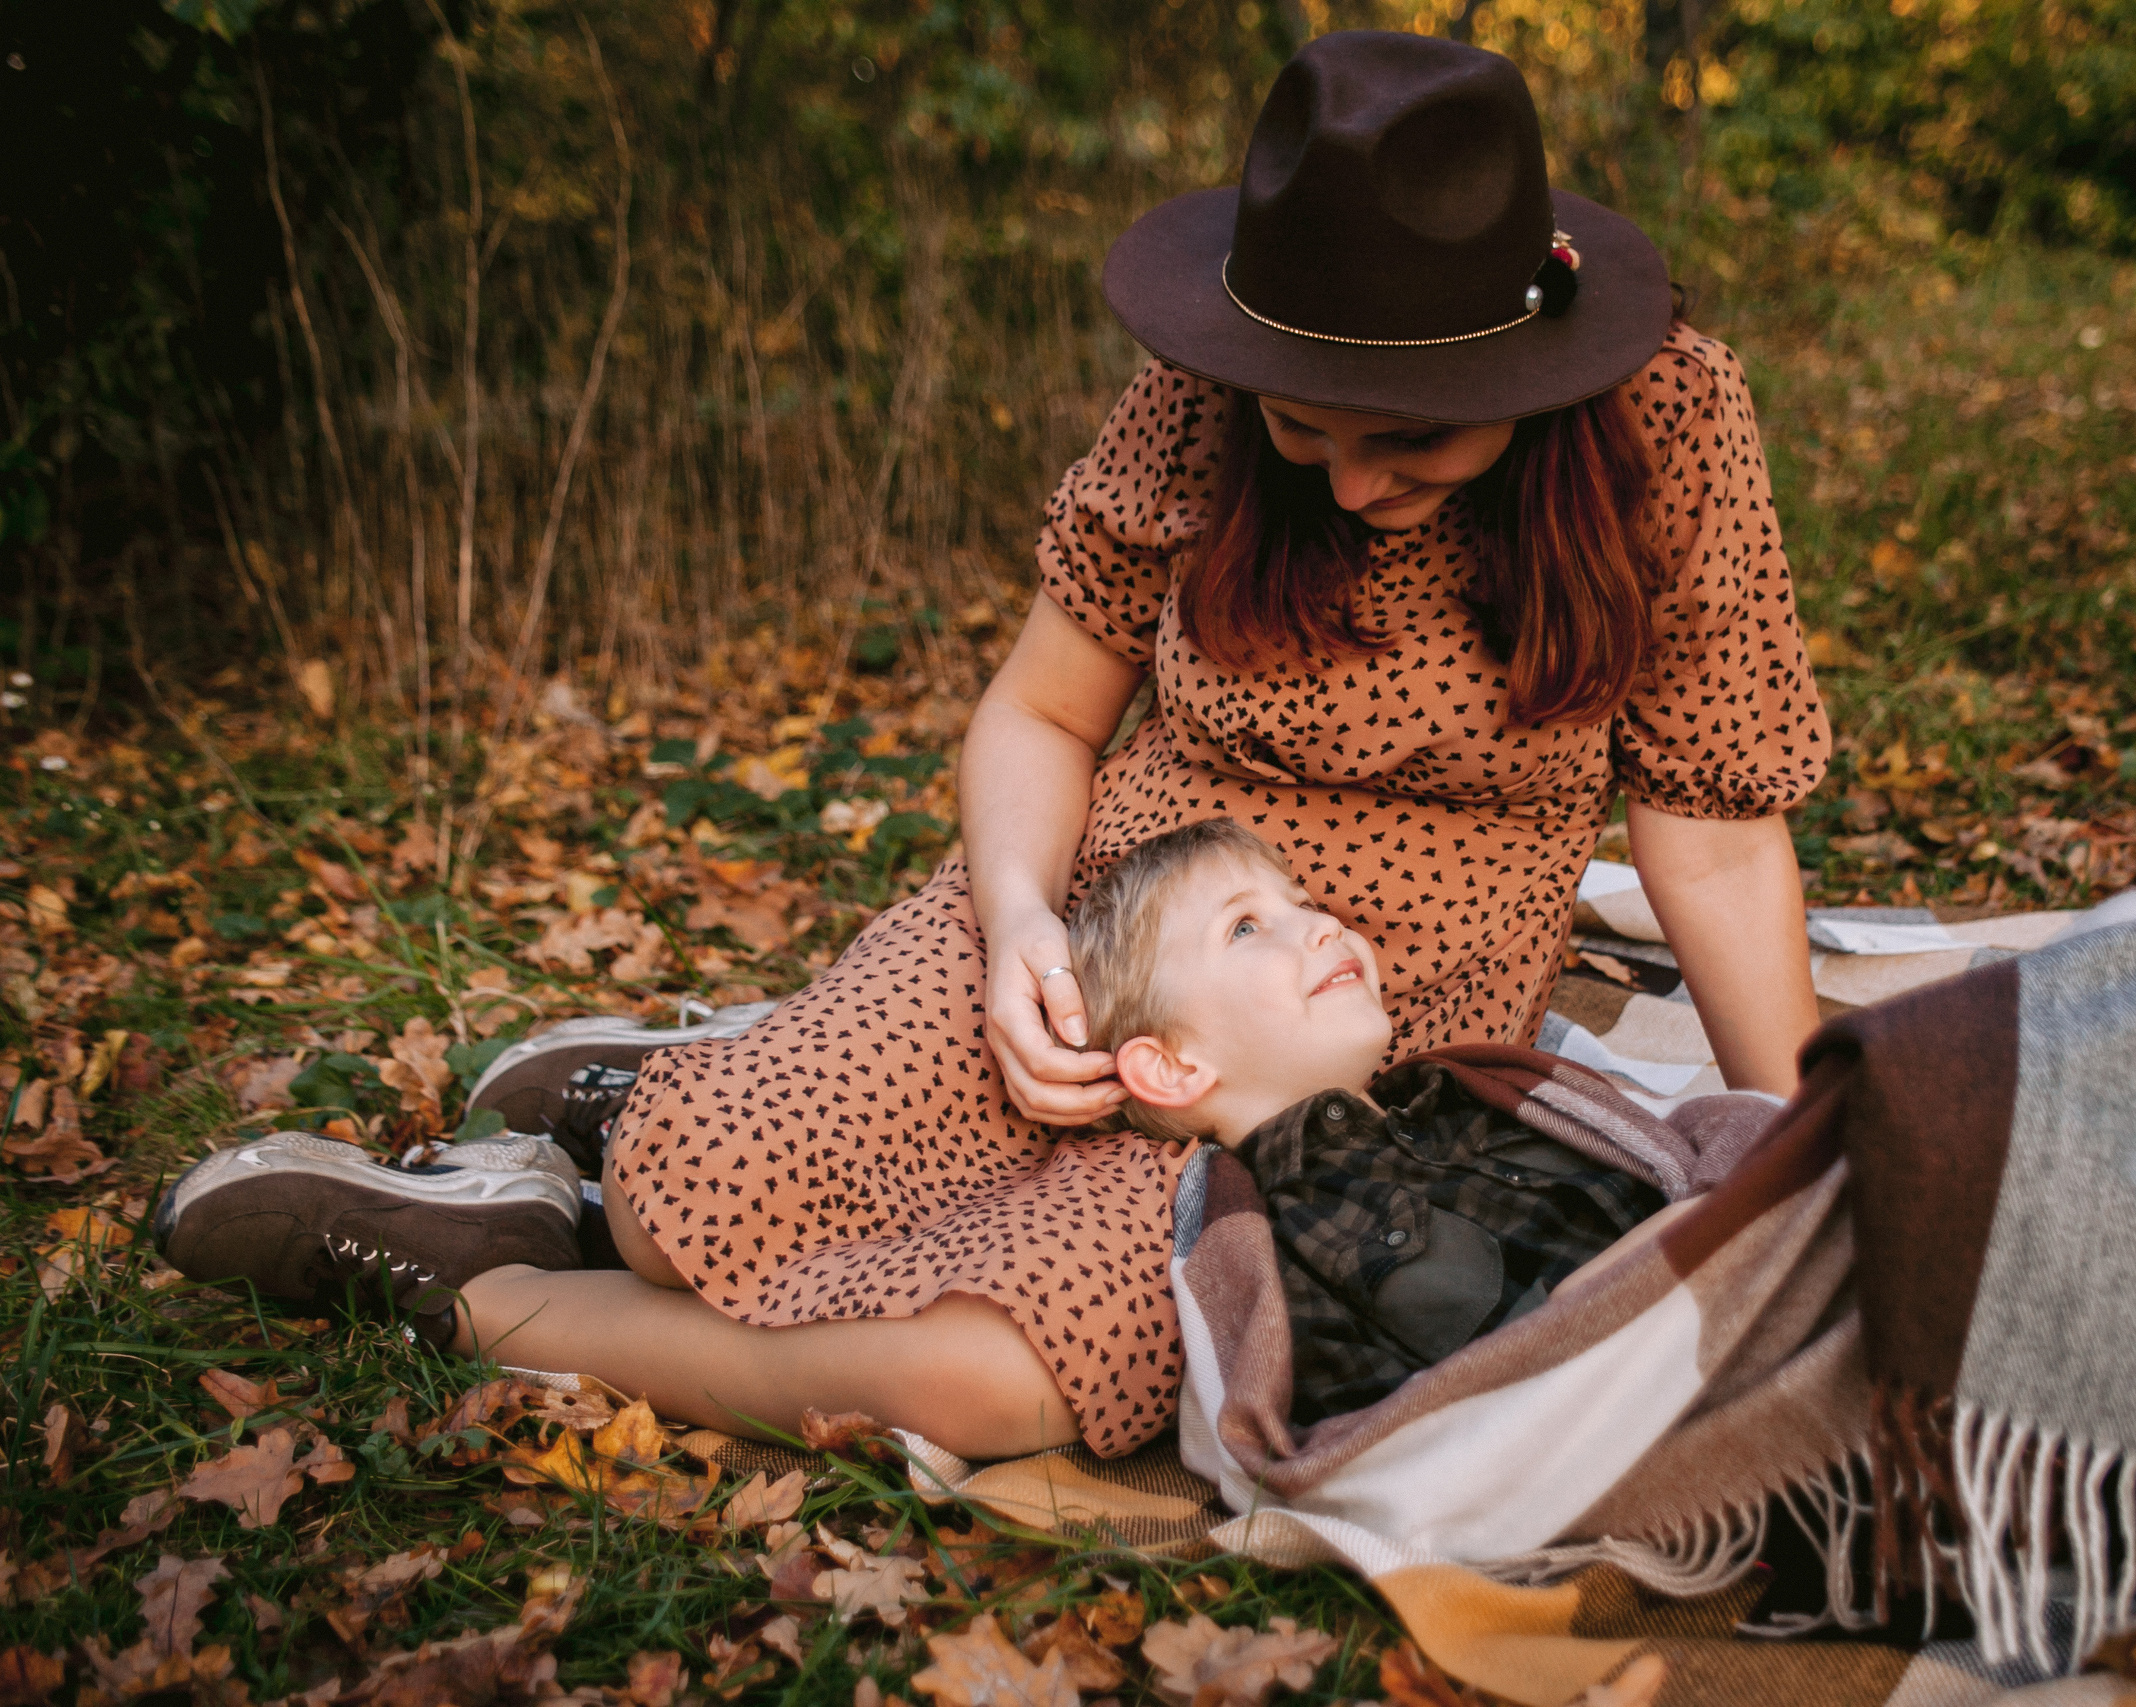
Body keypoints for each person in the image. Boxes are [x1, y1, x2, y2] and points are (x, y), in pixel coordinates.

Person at [153, 30, 1829, 1463]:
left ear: (1531, 363)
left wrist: (1810, 1149)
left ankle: (496, 1292)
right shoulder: (1205, 385)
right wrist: (1024, 920)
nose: (1345, 485)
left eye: (1413, 443)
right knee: (694, 1199)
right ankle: (604, 1146)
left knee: (1011, 1372)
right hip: (1110, 902)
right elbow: (1042, 704)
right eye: (1302, 427)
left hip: (1352, 1022)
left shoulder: (1666, 426)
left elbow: (1719, 824)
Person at [1065, 817, 1668, 1424]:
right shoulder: (1287, 1242)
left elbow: (1678, 1149)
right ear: (1172, 1067)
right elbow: (1390, 1438)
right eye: (1244, 927)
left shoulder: (1464, 1094)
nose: (1325, 924)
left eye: (1303, 903)